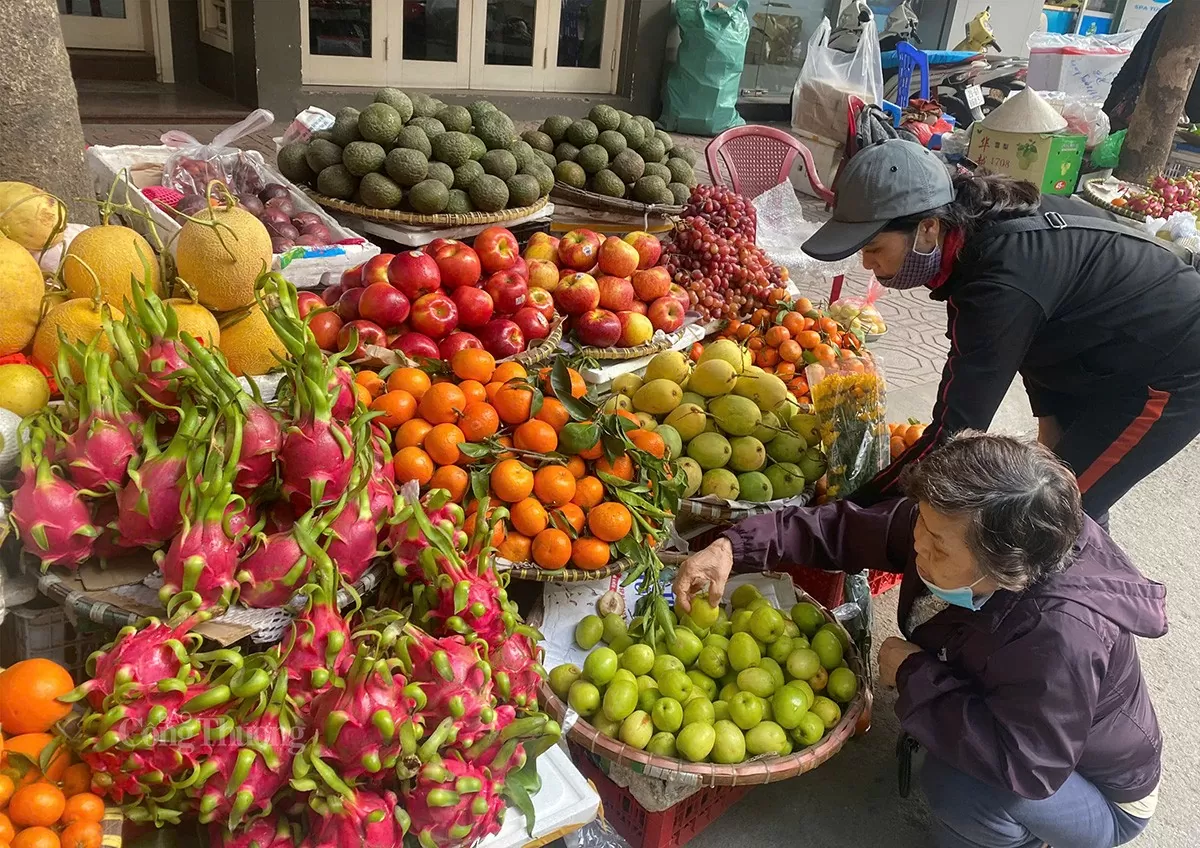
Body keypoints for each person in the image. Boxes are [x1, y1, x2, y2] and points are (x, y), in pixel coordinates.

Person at [674, 432, 1166, 848]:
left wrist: (914, 673)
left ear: (1006, 568)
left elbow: (1029, 768)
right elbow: (844, 530)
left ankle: (1011, 838)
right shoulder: (958, 523)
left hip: (1098, 790)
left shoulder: (1059, 637)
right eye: (922, 526)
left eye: (937, 545)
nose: (918, 545)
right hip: (1032, 720)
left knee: (957, 788)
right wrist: (732, 547)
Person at [801, 138, 1200, 527]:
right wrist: (1050, 432)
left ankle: (1078, 587)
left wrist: (849, 508)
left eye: (873, 249)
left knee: (1053, 516)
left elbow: (953, 432)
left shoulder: (998, 282)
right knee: (1062, 482)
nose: (867, 265)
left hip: (1169, 366)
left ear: (927, 226)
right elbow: (1033, 334)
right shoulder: (978, 235)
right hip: (1099, 349)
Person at [1103, 4, 1200, 130]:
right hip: (1163, 120)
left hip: (1152, 117)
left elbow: (1130, 67)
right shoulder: (1178, 14)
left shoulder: (1171, 10)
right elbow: (1132, 66)